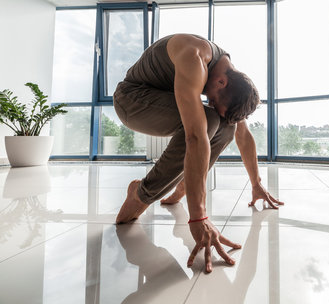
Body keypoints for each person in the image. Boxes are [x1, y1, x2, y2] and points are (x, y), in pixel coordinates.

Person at [113, 33, 283, 273]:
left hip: (160, 99)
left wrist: (256, 183)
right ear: (221, 83)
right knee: (210, 120)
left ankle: (184, 183)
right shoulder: (194, 57)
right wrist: (198, 217)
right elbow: (194, 136)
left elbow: (242, 135)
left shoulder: (230, 81)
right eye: (212, 100)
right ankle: (140, 193)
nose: (211, 102)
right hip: (131, 100)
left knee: (226, 124)